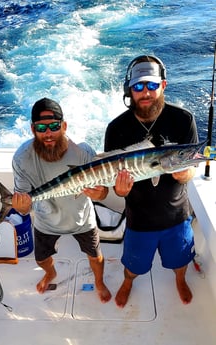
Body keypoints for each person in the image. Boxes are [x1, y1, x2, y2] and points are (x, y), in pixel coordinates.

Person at [104, 54, 198, 308]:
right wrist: (119, 189)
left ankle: (180, 279)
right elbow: (113, 178)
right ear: (129, 90)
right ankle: (128, 282)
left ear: (163, 86)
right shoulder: (116, 128)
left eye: (152, 85)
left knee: (180, 262)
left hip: (177, 215)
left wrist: (185, 173)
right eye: (138, 87)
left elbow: (192, 164)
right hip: (139, 219)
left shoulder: (183, 120)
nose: (145, 92)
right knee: (133, 267)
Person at [11, 97, 111, 303]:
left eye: (54, 126)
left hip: (82, 219)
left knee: (95, 256)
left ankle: (99, 282)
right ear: (32, 129)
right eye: (41, 127)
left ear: (64, 126)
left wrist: (99, 194)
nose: (48, 133)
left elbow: (103, 193)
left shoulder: (84, 152)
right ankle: (50, 273)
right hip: (45, 221)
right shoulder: (21, 158)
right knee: (41, 259)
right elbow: (23, 203)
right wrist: (21, 208)